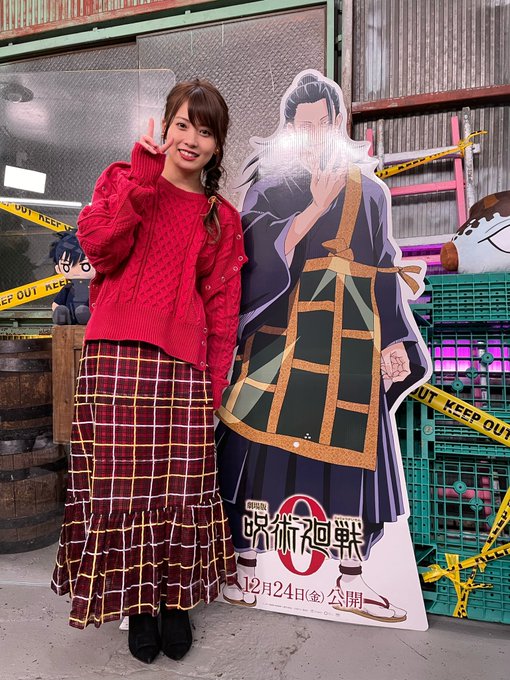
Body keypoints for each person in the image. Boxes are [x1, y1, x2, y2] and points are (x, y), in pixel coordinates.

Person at [216, 72, 429, 623]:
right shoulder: (268, 184)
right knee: (256, 451)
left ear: (337, 123)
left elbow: (382, 270)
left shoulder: (370, 191)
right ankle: (244, 568)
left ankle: (350, 582)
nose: (313, 133)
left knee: (352, 460)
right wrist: (312, 209)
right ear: (289, 126)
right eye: (302, 124)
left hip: (349, 345)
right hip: (280, 343)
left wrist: (397, 340)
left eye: (322, 122)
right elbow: (250, 262)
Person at [51, 79, 247, 663]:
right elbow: (100, 249)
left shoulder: (221, 217)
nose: (191, 139)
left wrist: (215, 384)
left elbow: (223, 308)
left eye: (205, 131)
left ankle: (176, 602)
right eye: (182, 124)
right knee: (122, 487)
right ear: (165, 126)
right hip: (114, 358)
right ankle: (138, 606)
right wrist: (139, 180)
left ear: (217, 145)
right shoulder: (122, 179)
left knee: (184, 485)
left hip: (184, 366)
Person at [50, 231, 95, 324]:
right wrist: (57, 310)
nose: (76, 271)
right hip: (70, 320)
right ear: (58, 268)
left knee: (83, 312)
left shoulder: (96, 287)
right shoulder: (68, 287)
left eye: (85, 265)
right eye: (66, 266)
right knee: (62, 311)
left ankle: (86, 317)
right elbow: (56, 304)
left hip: (90, 318)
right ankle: (63, 318)